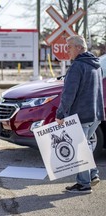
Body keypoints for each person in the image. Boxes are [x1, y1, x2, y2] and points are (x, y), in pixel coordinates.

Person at [55, 35, 105, 193]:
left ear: (78, 47)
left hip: (80, 115)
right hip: (94, 115)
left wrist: (60, 114)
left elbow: (68, 94)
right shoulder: (96, 64)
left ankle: (83, 184)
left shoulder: (77, 66)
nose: (67, 50)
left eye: (69, 47)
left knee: (79, 149)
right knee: (86, 146)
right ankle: (92, 174)